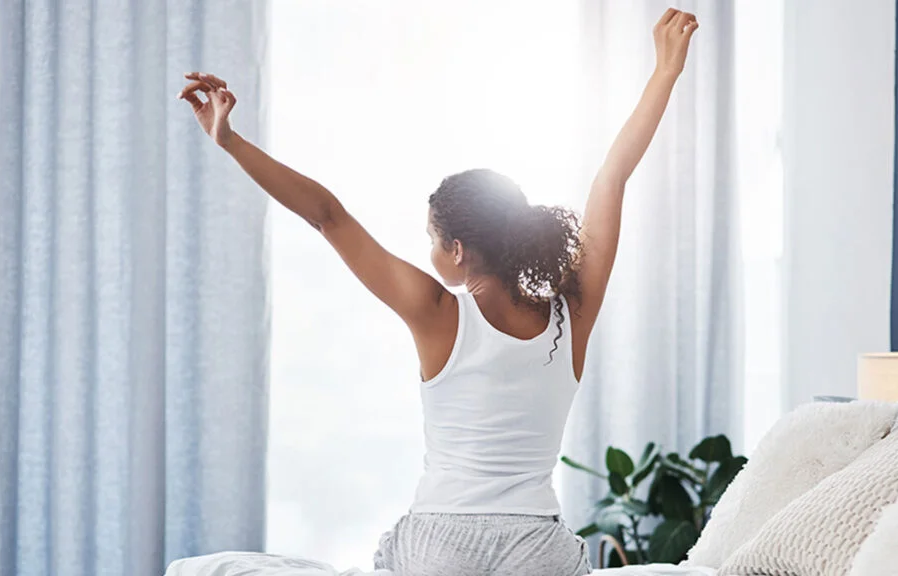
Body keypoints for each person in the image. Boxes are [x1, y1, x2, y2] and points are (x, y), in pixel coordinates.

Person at [179, 8, 697, 575]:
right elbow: (612, 178)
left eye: (431, 238)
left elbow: (327, 215)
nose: (428, 249)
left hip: (441, 543)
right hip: (536, 547)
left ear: (457, 250)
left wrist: (230, 141)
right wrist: (665, 72)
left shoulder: (437, 312)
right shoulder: (571, 313)